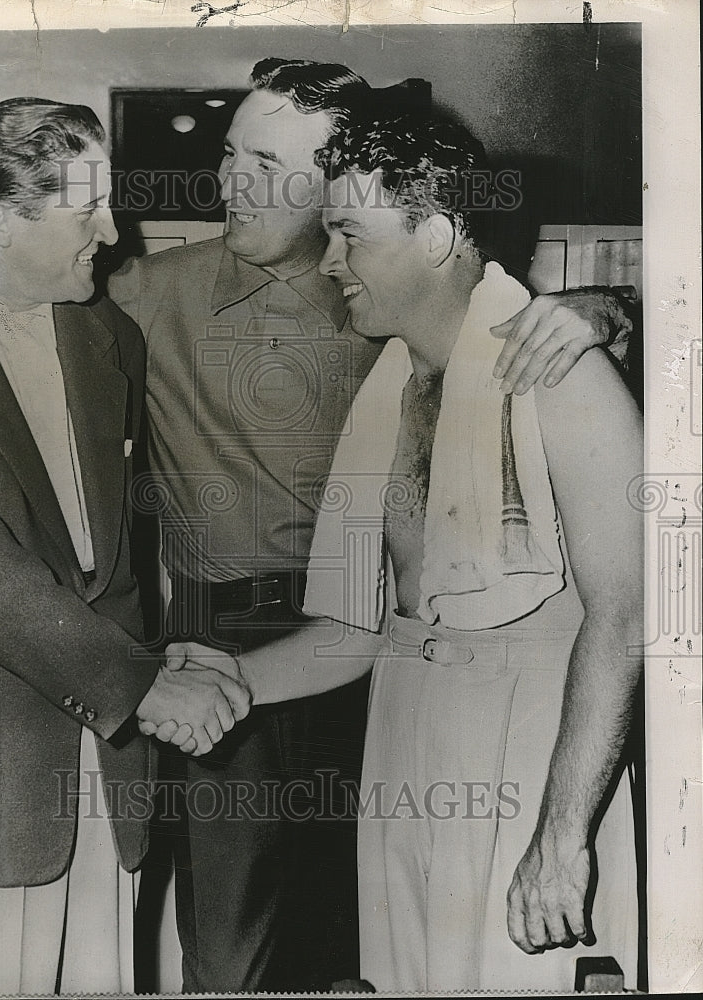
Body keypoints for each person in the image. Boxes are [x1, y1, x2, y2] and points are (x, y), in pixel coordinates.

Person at [0, 60, 631, 993]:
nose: (228, 186)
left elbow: (618, 602)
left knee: (385, 962)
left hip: (416, 690)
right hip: (245, 654)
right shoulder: (132, 295)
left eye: (270, 168)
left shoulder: (470, 336)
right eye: (229, 156)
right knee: (241, 961)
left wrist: (606, 311)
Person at [170, 113, 643, 993]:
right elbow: (358, 634)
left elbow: (627, 616)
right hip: (404, 729)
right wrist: (228, 681)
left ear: (434, 235)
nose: (329, 262)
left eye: (350, 235)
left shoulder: (561, 369)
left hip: (533, 748)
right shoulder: (388, 385)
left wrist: (562, 836)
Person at [0, 97, 250, 999]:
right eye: (87, 210)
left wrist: (164, 657)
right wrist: (140, 685)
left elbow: (119, 556)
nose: (114, 232)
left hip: (112, 784)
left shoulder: (109, 335)